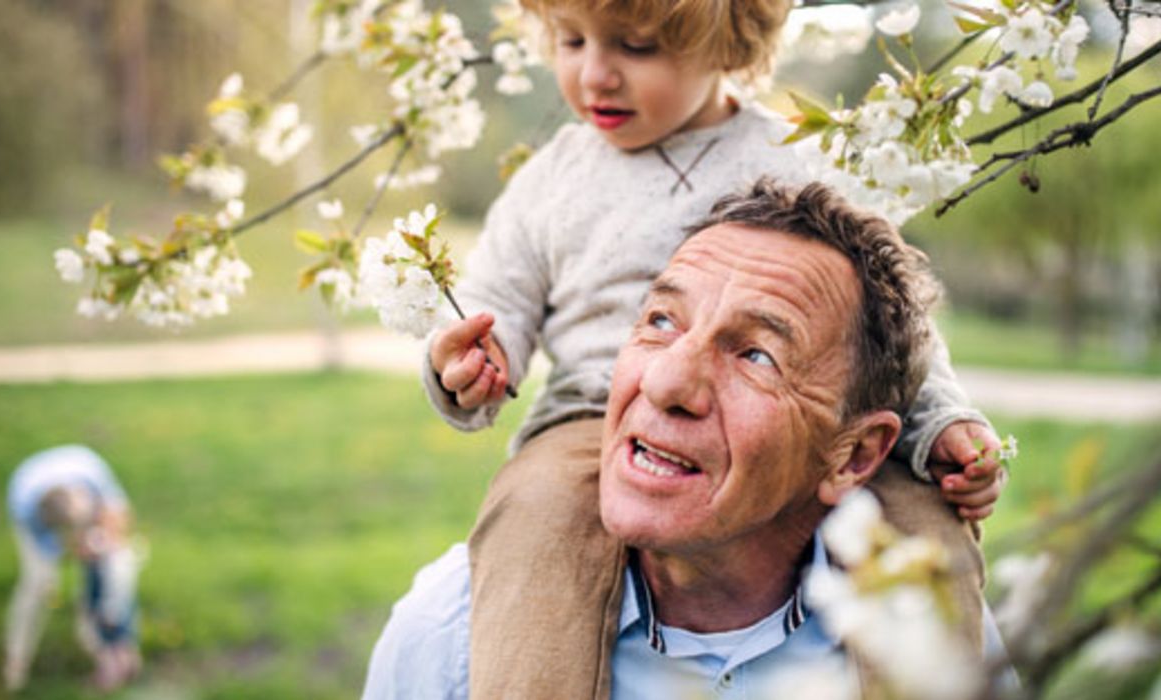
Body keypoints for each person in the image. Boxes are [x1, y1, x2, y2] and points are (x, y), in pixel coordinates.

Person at [421, 1, 1007, 695]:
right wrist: (473, 361)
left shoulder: (798, 155)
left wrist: (938, 418)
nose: (594, 75)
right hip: (591, 419)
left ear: (728, 44)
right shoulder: (552, 179)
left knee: (924, 525)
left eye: (636, 48)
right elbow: (499, 301)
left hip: (792, 420)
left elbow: (888, 321)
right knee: (536, 522)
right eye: (572, 42)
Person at [369, 179, 1008, 698]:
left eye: (757, 356)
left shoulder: (936, 641)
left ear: (857, 455)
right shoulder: (453, 635)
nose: (666, 381)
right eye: (660, 320)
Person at [3, 445, 143, 693]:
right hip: (33, 497)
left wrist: (104, 541)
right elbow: (50, 549)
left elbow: (120, 517)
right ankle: (15, 662)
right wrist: (74, 547)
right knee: (39, 584)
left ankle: (111, 645)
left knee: (115, 567)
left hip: (79, 480)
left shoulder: (93, 475)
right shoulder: (26, 508)